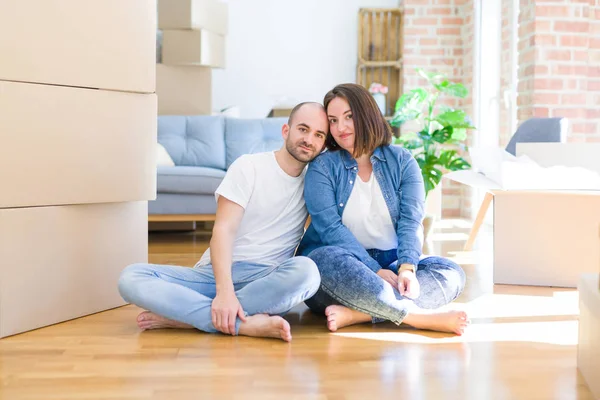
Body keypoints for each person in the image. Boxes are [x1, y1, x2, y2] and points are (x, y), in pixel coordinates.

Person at [118, 102, 329, 342]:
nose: (309, 139)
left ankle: (188, 318)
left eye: (318, 135)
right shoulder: (249, 166)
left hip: (266, 281)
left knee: (308, 273)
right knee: (130, 278)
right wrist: (224, 291)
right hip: (216, 275)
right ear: (285, 131)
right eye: (303, 129)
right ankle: (242, 323)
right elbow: (223, 230)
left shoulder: (316, 184)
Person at [296, 84, 470, 335]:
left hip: (393, 262)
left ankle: (361, 314)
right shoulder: (323, 167)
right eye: (333, 121)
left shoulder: (402, 161)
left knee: (451, 273)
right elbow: (330, 229)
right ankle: (417, 317)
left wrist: (408, 268)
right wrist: (374, 270)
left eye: (349, 117)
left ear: (367, 114)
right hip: (344, 268)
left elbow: (411, 220)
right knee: (320, 261)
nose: (340, 128)